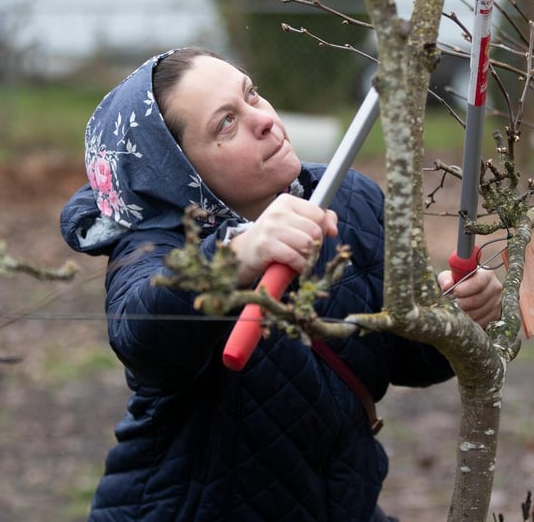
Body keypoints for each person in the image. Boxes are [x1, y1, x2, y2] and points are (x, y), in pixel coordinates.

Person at [60, 47, 502, 522]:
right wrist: (239, 255)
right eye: (225, 123)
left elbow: (398, 357)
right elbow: (144, 337)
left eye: (251, 94)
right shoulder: (153, 247)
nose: (264, 119)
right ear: (176, 172)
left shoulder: (349, 199)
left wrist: (451, 320)